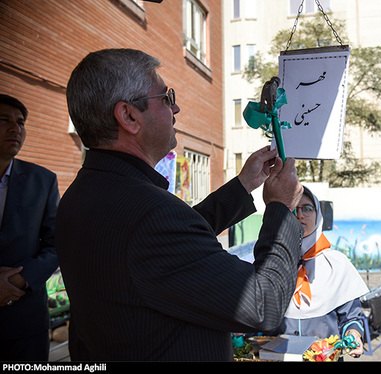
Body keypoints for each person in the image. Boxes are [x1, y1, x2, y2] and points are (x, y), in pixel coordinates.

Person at [56, 48, 304, 361]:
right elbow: (264, 304)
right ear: (129, 116)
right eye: (166, 97)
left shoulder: (81, 195)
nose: (176, 108)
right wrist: (281, 210)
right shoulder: (149, 213)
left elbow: (169, 249)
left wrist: (243, 186)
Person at [269, 186, 369, 359]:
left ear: (318, 215)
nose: (300, 215)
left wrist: (353, 334)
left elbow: (352, 317)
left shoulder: (337, 264)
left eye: (307, 208)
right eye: (293, 209)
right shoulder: (270, 263)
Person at [0, 94, 60, 360]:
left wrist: (19, 280)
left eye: (21, 122)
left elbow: (56, 243)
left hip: (25, 317)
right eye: (4, 120)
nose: (16, 128)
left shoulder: (43, 180)